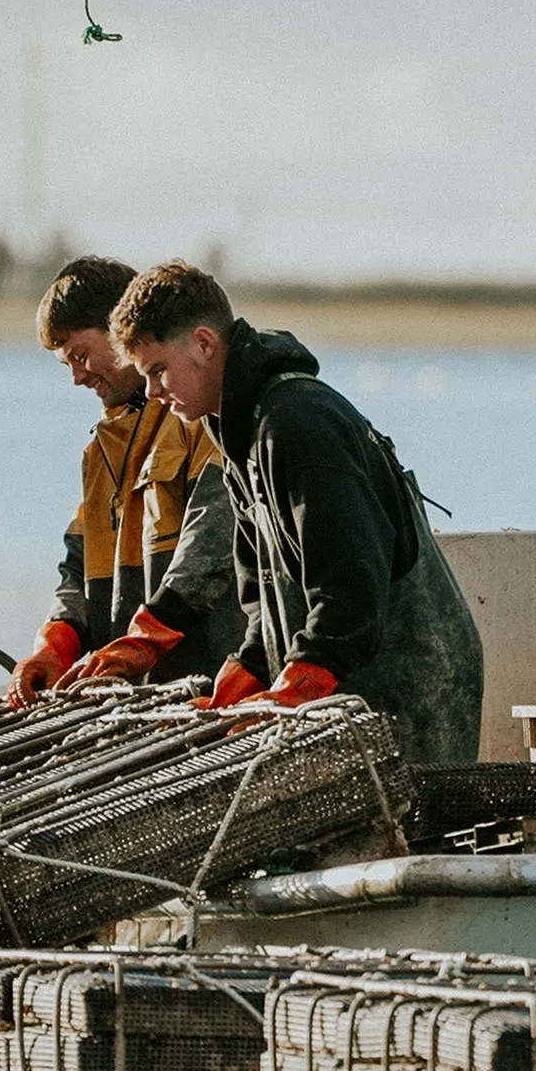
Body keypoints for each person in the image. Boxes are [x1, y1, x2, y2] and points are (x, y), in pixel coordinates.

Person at [109, 260, 483, 762]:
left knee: (414, 833)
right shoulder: (239, 432)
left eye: (157, 371)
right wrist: (247, 673)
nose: (153, 393)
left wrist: (299, 684)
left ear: (203, 343)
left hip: (409, 691)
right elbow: (263, 591)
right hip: (352, 691)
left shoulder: (297, 422)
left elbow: (350, 587)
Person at [7, 256, 246, 707]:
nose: (78, 377)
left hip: (212, 689)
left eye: (80, 355)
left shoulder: (200, 418)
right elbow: (77, 566)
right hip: (139, 703)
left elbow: (213, 541)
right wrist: (54, 645)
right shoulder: (99, 452)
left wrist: (145, 640)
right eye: (67, 365)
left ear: (121, 333)